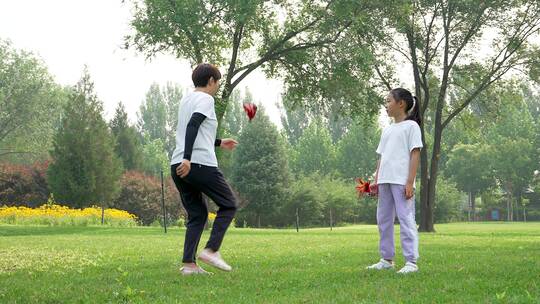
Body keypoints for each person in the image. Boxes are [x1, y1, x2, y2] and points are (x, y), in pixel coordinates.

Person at [170, 63, 238, 275]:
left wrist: (218, 142)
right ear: (211, 80)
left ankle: (189, 265)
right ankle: (211, 250)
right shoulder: (206, 99)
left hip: (177, 164)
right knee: (229, 204)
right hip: (197, 163)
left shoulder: (186, 100)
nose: (217, 87)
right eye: (217, 82)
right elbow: (192, 126)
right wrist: (189, 159)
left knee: (198, 214)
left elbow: (192, 132)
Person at [366, 88, 423, 274]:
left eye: (389, 101)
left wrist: (409, 182)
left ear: (401, 104)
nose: (386, 105)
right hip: (385, 181)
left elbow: (415, 154)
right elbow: (382, 157)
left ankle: (411, 262)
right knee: (383, 220)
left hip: (401, 181)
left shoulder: (412, 127)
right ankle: (386, 259)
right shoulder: (388, 129)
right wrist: (375, 180)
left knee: (406, 219)